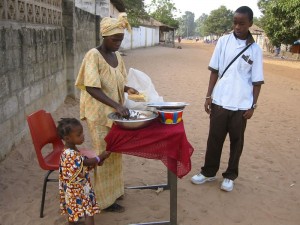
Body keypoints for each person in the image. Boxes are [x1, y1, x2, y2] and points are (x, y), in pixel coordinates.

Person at [191, 6, 264, 192]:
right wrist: (209, 96)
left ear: (250, 24)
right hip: (220, 101)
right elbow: (214, 71)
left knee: (236, 142)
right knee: (214, 139)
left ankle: (230, 176)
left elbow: (257, 81)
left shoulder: (255, 50)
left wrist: (253, 106)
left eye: (242, 23)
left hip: (241, 105)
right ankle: (208, 172)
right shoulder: (223, 41)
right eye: (235, 22)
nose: (237, 26)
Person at [75, 13, 138, 212]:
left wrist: (127, 90)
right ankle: (104, 200)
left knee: (115, 152)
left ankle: (115, 191)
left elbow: (119, 79)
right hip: (99, 115)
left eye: (121, 39)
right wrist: (117, 105)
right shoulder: (93, 55)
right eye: (115, 39)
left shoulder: (117, 56)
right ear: (104, 37)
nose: (118, 43)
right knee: (104, 154)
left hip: (114, 115)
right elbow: (91, 87)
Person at [57, 118, 111, 225]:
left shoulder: (69, 150)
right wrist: (100, 157)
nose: (83, 136)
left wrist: (98, 160)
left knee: (72, 210)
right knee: (88, 211)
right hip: (79, 188)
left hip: (70, 189)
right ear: (67, 138)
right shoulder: (70, 154)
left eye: (82, 132)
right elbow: (85, 162)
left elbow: (81, 164)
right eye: (79, 135)